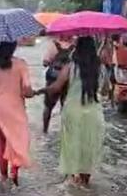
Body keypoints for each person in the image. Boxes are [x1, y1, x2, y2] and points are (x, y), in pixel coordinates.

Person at [39, 37, 105, 186]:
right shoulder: (100, 68)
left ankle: (73, 180)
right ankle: (85, 183)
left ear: (78, 49)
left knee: (72, 146)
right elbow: (106, 90)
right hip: (93, 113)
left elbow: (56, 87)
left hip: (72, 112)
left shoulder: (71, 66)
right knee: (88, 148)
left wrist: (38, 91)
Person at [0, 42, 37, 186]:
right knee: (17, 142)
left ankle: (3, 177)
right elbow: (27, 90)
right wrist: (32, 93)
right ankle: (14, 173)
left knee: (0, 144)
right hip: (15, 109)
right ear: (14, 48)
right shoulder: (21, 64)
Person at [41, 36, 74, 133]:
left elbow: (45, 62)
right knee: (65, 106)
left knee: (48, 106)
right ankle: (66, 131)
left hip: (53, 79)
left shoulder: (53, 45)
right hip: (68, 80)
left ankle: (45, 130)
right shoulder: (74, 46)